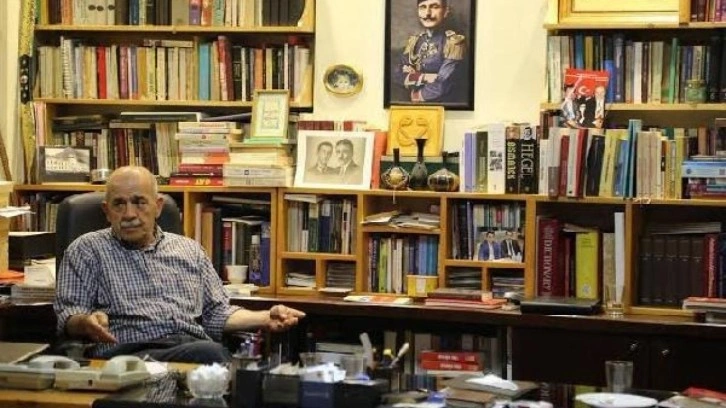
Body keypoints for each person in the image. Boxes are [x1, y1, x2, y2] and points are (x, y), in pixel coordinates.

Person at [54, 166, 305, 364]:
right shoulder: (86, 250)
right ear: (107, 211)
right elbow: (68, 315)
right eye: (119, 204)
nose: (129, 214)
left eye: (139, 202)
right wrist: (86, 322)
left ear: (158, 206)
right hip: (127, 355)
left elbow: (216, 314)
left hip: (188, 348)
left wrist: (265, 317)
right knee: (214, 358)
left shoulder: (190, 251)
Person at [395, 0, 466, 103]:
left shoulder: (454, 43)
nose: (427, 13)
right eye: (423, 7)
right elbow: (397, 74)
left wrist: (416, 95)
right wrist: (425, 77)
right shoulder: (415, 41)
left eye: (434, 7)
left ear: (445, 11)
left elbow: (443, 83)